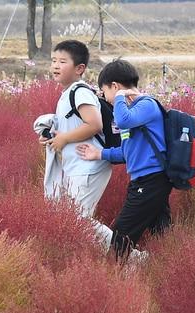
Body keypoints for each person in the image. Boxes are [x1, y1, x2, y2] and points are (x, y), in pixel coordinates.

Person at [75, 59, 168, 262]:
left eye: (104, 92)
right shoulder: (133, 114)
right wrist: (99, 154)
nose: (105, 98)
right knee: (163, 233)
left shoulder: (146, 105)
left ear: (115, 86)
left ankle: (112, 278)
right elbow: (127, 153)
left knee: (121, 237)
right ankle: (168, 270)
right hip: (145, 181)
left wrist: (118, 98)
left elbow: (123, 120)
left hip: (151, 180)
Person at [43, 40, 116, 250]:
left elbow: (94, 124)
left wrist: (64, 139)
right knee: (72, 219)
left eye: (62, 61)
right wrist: (55, 137)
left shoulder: (80, 92)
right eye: (54, 61)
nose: (56, 65)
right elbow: (72, 127)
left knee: (77, 220)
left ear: (79, 68)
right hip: (77, 166)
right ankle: (114, 256)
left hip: (88, 166)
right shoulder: (67, 94)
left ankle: (128, 255)